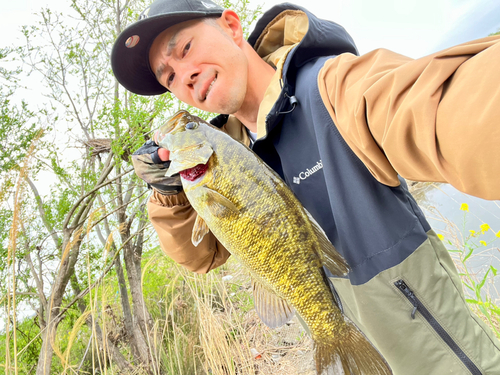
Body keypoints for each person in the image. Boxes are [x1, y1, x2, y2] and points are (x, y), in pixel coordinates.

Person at [111, 0, 500, 373]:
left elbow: (439, 106)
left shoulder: (334, 86)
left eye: (186, 48)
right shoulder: (226, 155)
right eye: (170, 78)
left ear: (231, 26)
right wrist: (171, 194)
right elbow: (200, 258)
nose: (185, 75)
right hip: (342, 346)